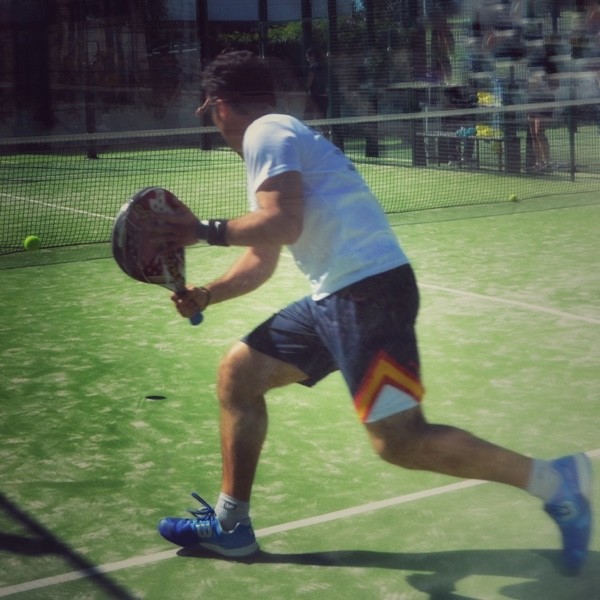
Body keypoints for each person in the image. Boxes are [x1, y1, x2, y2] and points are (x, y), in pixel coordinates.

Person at [154, 51, 592, 572]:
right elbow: (263, 256)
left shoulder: (266, 132)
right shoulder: (278, 136)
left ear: (220, 104)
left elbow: (283, 224)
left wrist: (201, 230)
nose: (212, 122)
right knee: (238, 374)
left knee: (399, 441)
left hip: (365, 294)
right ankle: (231, 527)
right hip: (338, 297)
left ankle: (554, 482)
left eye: (208, 113)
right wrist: (207, 294)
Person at [304, 48, 328, 120]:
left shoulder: (313, 67)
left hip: (315, 97)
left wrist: (305, 90)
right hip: (324, 96)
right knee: (322, 118)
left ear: (312, 57)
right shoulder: (325, 66)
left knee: (308, 116)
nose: (307, 60)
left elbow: (309, 83)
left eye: (307, 57)